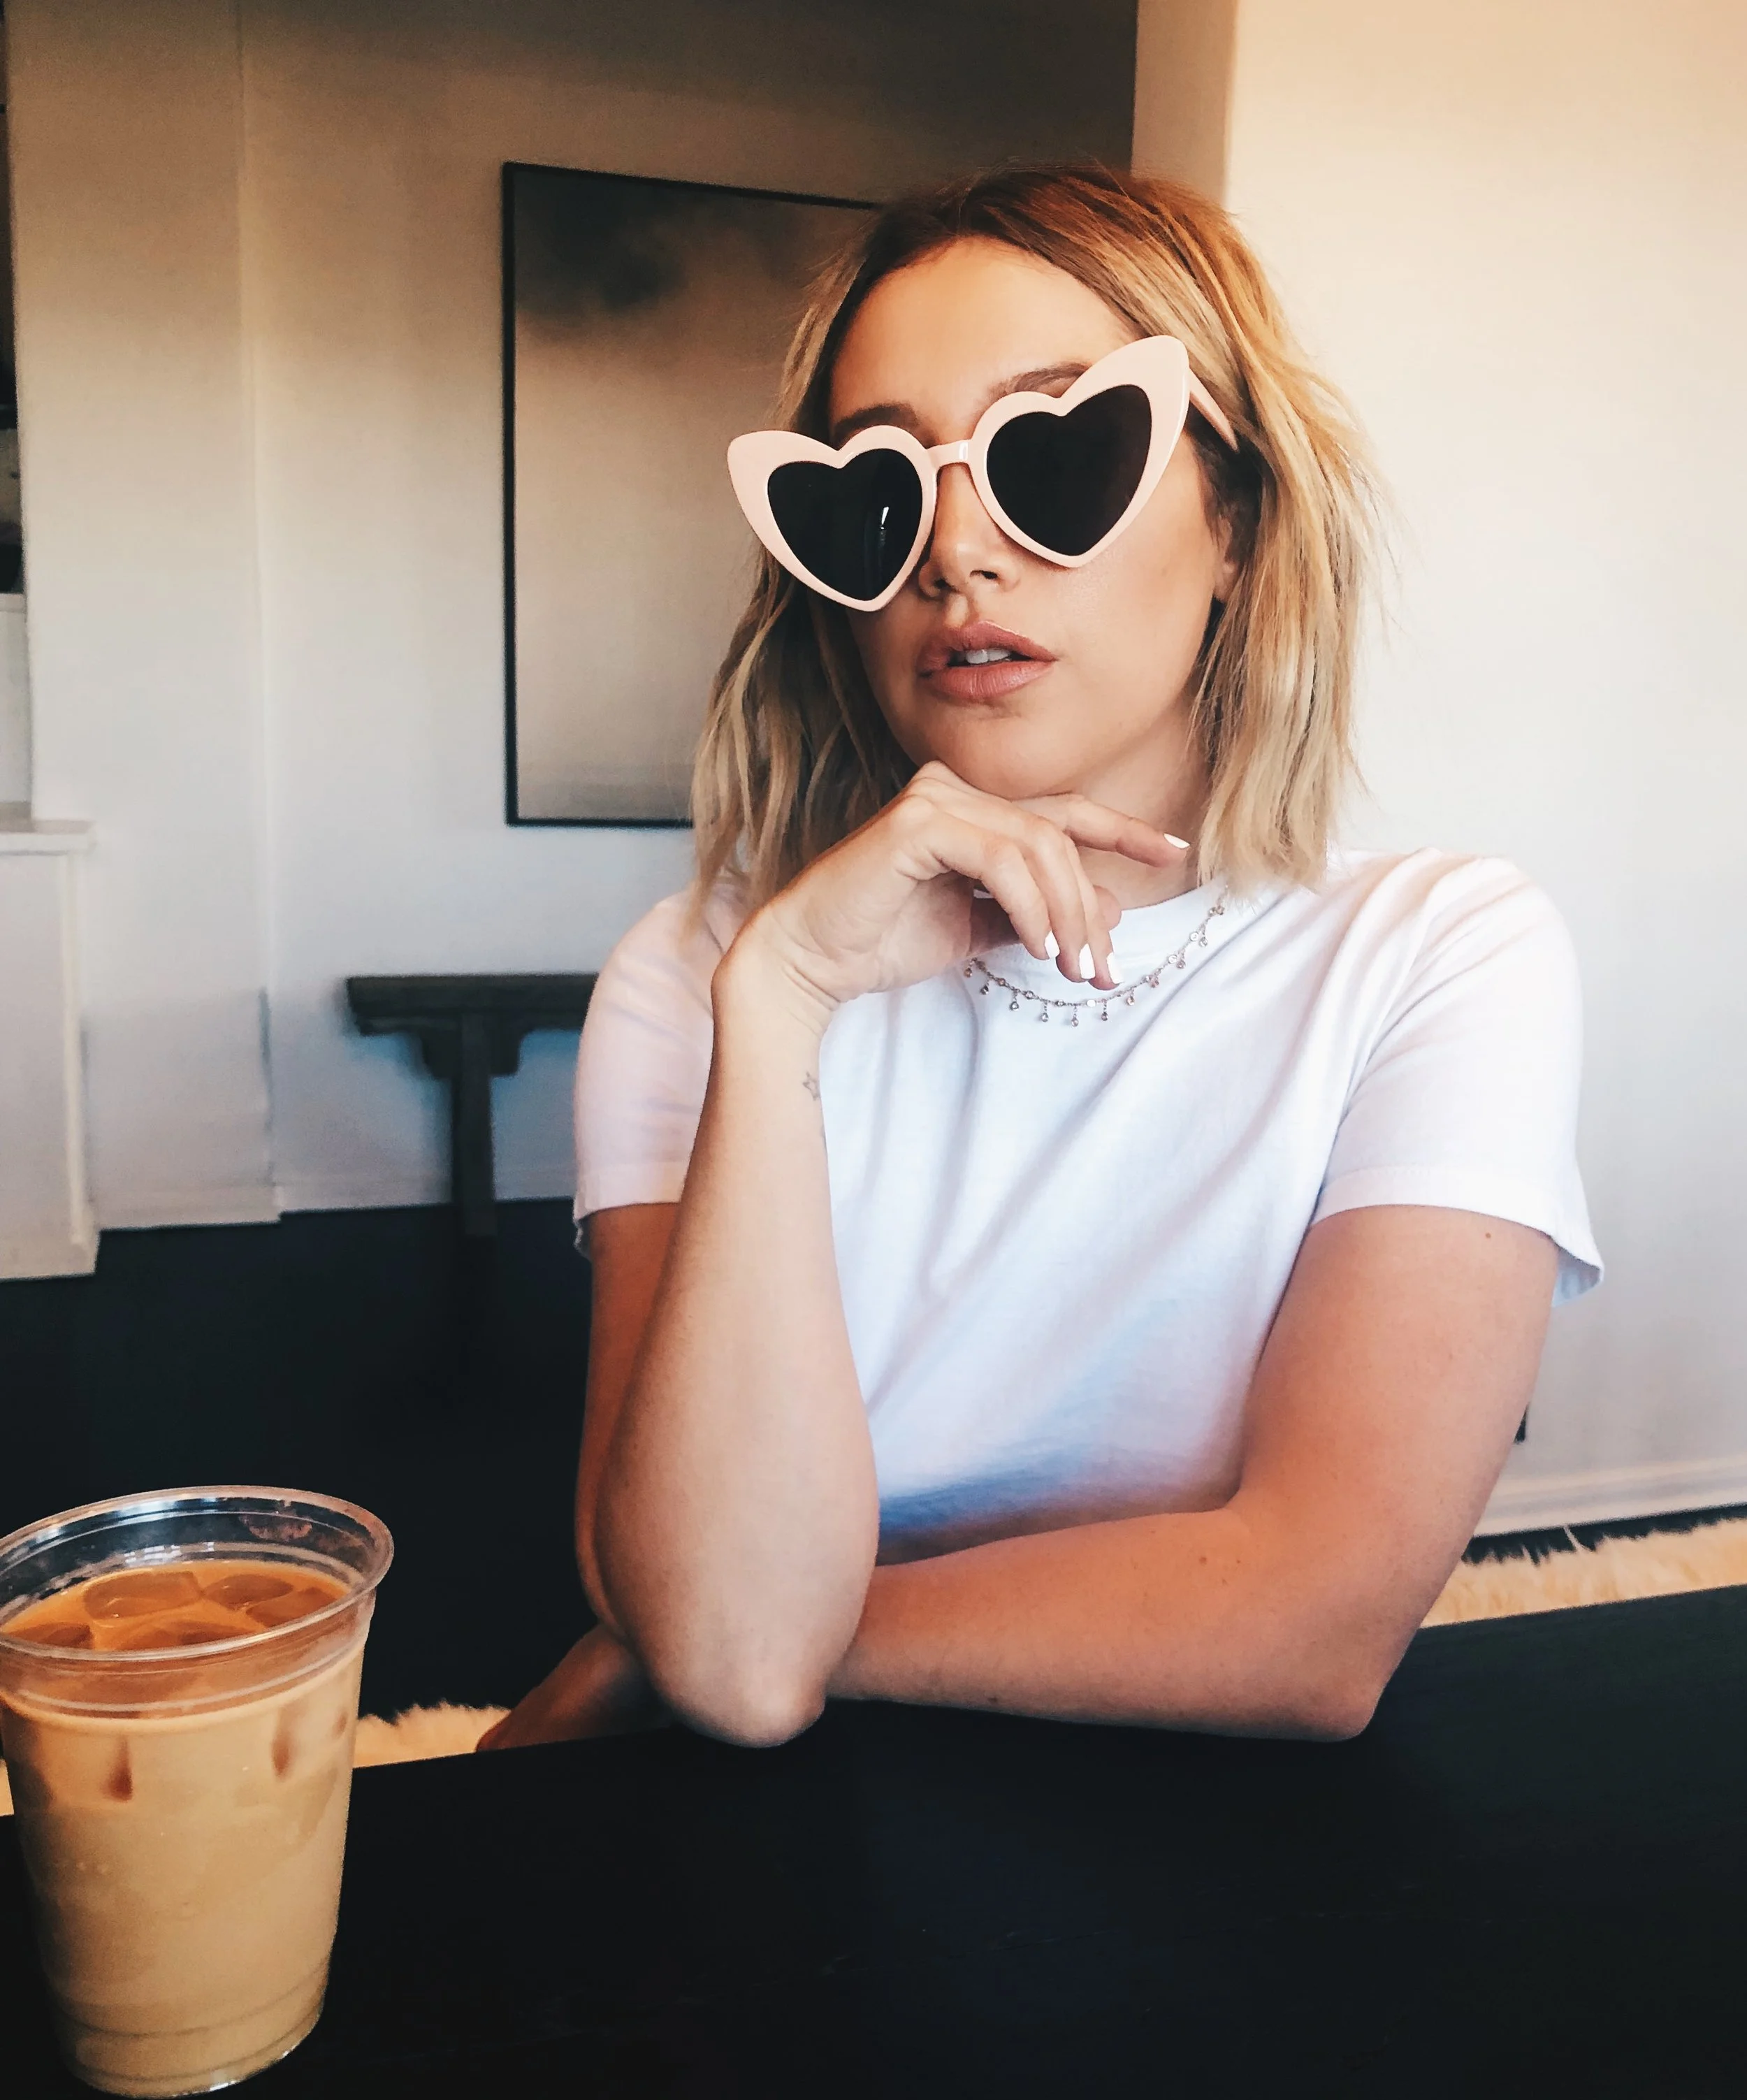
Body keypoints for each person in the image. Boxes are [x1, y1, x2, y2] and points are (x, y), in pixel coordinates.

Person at [484, 164, 1599, 1753]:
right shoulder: (704, 978)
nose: (952, 550)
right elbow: (695, 1611)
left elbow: (1313, 1619)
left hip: (1213, 1866)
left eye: (1055, 454)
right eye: (874, 489)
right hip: (781, 1851)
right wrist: (781, 1003)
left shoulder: (1438, 955)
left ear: (1236, 519)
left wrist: (767, 1633)